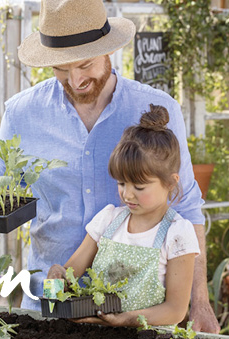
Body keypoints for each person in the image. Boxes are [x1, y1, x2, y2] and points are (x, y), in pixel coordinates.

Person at [0, 0, 220, 332]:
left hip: (138, 320)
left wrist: (200, 303)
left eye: (85, 65)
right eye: (60, 69)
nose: (74, 81)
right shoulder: (20, 114)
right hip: (51, 309)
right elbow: (2, 201)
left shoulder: (157, 109)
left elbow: (187, 208)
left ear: (108, 52)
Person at [47, 105, 199, 326]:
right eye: (121, 183)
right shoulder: (109, 220)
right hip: (100, 338)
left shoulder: (177, 233)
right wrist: (58, 275)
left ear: (171, 182)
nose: (127, 194)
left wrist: (126, 319)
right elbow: (71, 275)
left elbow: (175, 310)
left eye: (139, 186)